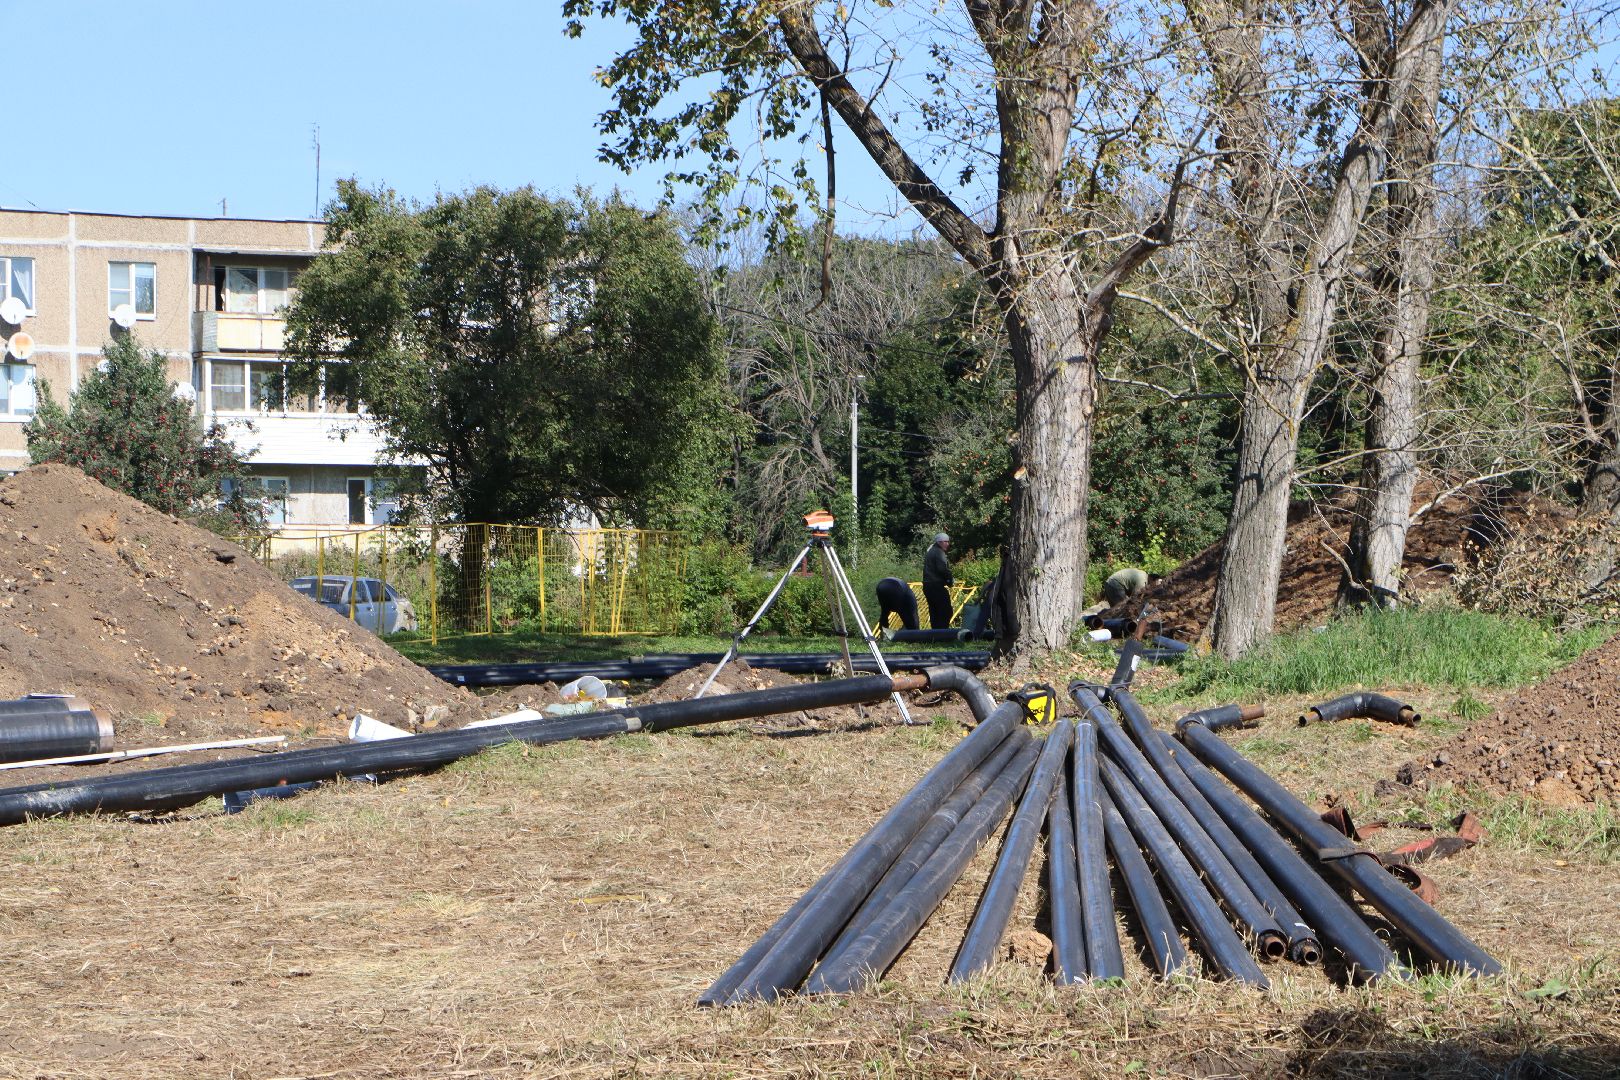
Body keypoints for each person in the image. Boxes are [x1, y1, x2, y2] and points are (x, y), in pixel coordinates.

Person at [923, 532, 954, 629]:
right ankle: (942, 633)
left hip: (927, 586)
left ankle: (935, 634)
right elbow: (942, 569)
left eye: (948, 542)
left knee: (934, 612)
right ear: (939, 542)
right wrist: (949, 580)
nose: (947, 544)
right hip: (935, 585)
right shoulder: (939, 552)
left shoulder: (931, 551)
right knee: (946, 611)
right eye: (945, 542)